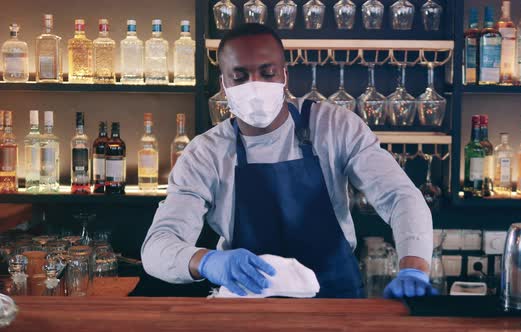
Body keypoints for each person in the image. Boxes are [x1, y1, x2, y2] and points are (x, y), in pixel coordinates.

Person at [141, 23, 435, 299]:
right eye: (240, 76)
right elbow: (157, 246)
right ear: (224, 83)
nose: (254, 86)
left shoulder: (335, 127)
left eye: (267, 73)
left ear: (284, 76)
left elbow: (400, 196)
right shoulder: (205, 153)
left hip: (335, 302)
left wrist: (414, 266)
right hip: (246, 302)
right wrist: (207, 261)